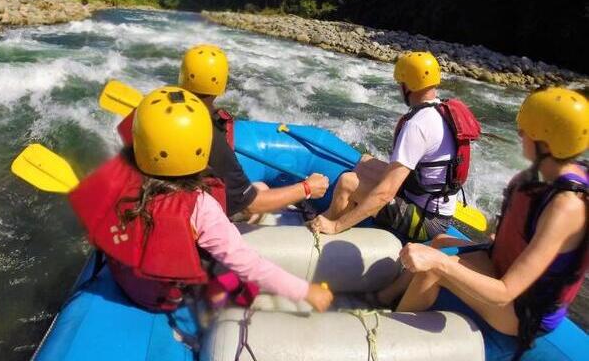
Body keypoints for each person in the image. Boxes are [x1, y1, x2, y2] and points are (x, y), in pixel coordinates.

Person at [69, 86, 334, 313]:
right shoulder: (201, 206)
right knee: (239, 283)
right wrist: (307, 291)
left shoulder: (119, 178)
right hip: (164, 297)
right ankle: (219, 308)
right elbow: (250, 265)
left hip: (126, 280)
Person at [395, 87, 588, 359]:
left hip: (524, 311)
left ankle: (392, 340)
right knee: (439, 242)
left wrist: (439, 263)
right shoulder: (532, 178)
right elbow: (507, 238)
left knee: (435, 268)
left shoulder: (567, 207)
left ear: (546, 143)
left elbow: (505, 292)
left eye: (526, 130)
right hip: (503, 267)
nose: (520, 135)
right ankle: (384, 299)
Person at [312, 51, 480, 241]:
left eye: (400, 83)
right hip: (432, 200)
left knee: (347, 183)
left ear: (408, 86)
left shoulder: (417, 125)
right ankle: (339, 213)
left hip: (427, 222)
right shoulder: (441, 110)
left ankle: (330, 227)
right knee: (366, 161)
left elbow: (385, 194)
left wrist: (336, 226)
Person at [178, 43, 330, 219]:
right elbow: (250, 204)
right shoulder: (211, 135)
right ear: (222, 84)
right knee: (260, 194)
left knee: (261, 188)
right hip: (191, 214)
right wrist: (307, 188)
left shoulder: (158, 111)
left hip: (165, 200)